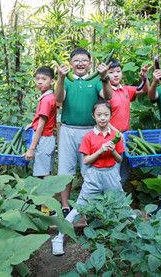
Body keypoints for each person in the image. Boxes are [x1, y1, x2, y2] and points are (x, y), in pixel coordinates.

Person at [51, 100, 124, 255]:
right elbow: (86, 160)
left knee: (123, 205)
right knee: (79, 207)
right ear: (93, 116)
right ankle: (58, 238)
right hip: (93, 176)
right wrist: (99, 151)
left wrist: (112, 151)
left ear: (111, 115)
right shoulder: (88, 137)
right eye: (99, 115)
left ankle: (139, 235)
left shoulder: (116, 136)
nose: (103, 118)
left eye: (106, 114)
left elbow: (120, 159)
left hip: (111, 174)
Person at [55, 47, 113, 216]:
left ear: (90, 63)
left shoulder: (96, 80)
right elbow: (59, 99)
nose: (80, 63)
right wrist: (60, 78)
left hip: (90, 131)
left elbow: (107, 96)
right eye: (76, 61)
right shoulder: (66, 79)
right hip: (68, 130)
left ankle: (87, 206)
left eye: (84, 60)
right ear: (71, 64)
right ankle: (65, 206)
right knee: (65, 170)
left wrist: (104, 78)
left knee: (90, 169)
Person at [107, 58, 150, 184]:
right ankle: (110, 196)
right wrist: (116, 133)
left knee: (124, 168)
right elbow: (101, 117)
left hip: (125, 135)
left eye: (118, 71)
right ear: (106, 74)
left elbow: (144, 90)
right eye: (111, 72)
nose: (115, 74)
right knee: (111, 169)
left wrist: (144, 77)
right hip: (111, 136)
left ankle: (120, 196)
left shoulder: (126, 89)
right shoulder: (105, 92)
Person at [24, 66, 57, 178]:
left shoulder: (47, 100)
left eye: (44, 79)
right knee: (45, 170)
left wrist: (31, 149)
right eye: (37, 79)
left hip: (44, 139)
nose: (39, 82)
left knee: (42, 174)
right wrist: (32, 123)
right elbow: (42, 120)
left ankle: (44, 195)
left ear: (52, 81)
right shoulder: (49, 97)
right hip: (47, 138)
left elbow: (41, 126)